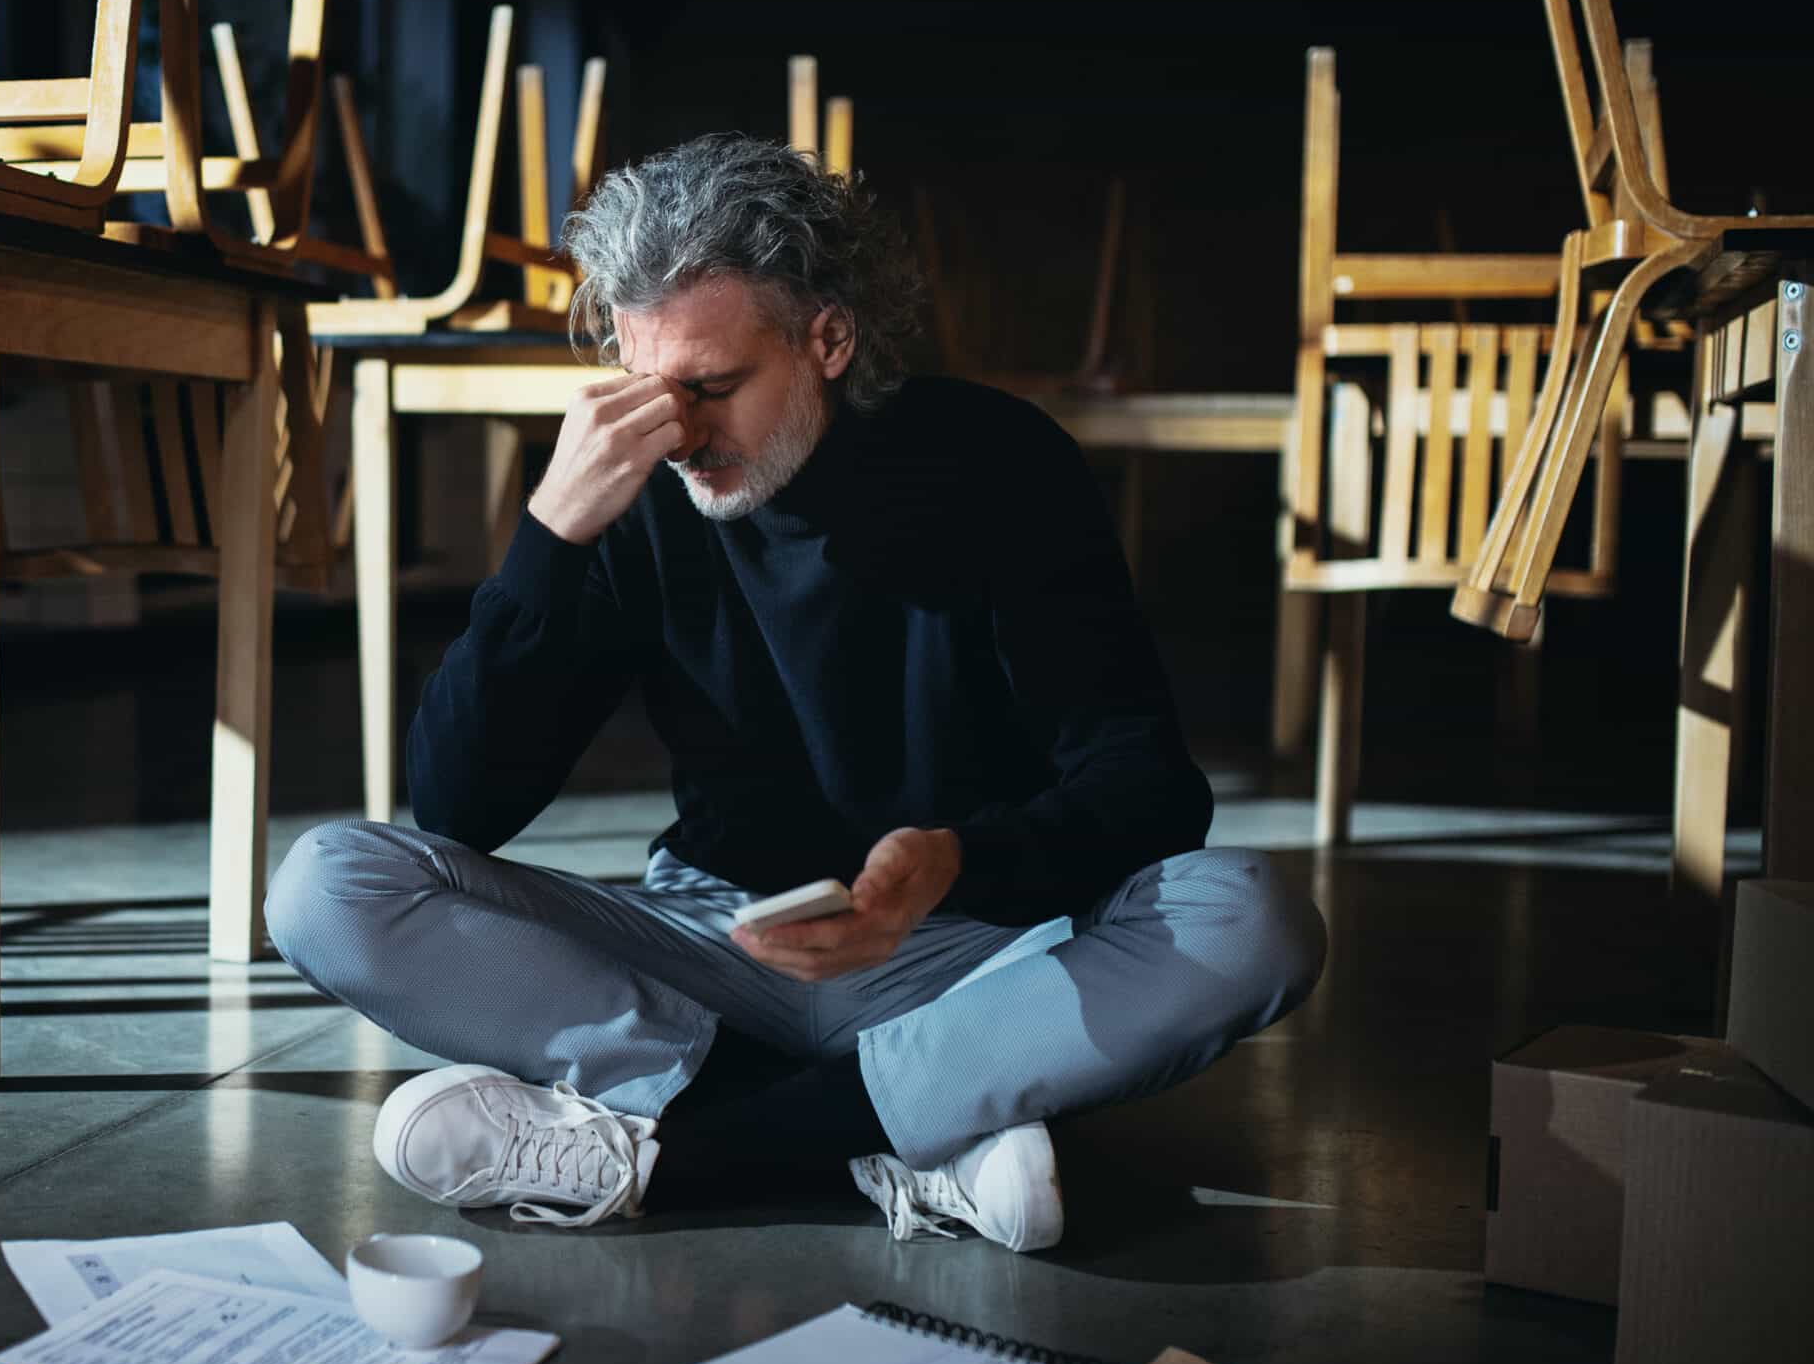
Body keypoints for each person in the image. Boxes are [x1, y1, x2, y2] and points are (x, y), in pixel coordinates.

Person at [267, 134, 1325, 1251]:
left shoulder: (1000, 463)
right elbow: (459, 806)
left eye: (710, 388)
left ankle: (672, 1153)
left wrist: (958, 859)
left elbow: (1146, 786)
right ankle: (922, 1124)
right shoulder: (631, 492)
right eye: (644, 386)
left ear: (828, 336)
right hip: (713, 950)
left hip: (966, 948)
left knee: (1250, 916)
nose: (676, 433)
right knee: (325, 887)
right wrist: (549, 534)